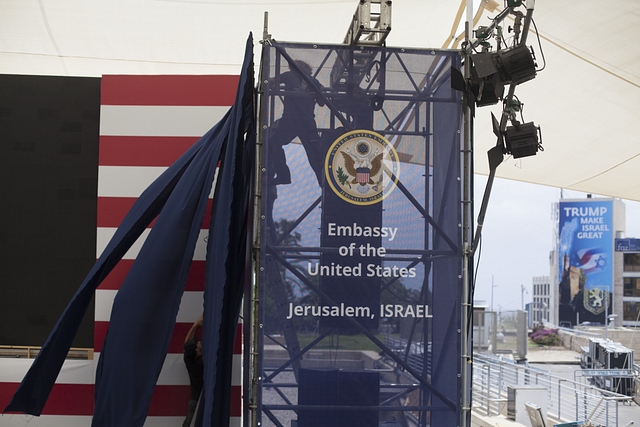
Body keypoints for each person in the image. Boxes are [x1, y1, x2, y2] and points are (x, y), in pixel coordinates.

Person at [268, 60, 325, 186]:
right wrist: (319, 90)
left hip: (290, 121)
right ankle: (325, 184)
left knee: (273, 142)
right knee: (315, 156)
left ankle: (283, 175)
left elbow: (270, 82)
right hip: (307, 123)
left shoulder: (289, 76)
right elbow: (322, 102)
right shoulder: (313, 81)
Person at [183, 316, 204, 427]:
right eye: (198, 344)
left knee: (188, 423)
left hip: (194, 400)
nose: (199, 341)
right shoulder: (203, 363)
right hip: (202, 400)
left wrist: (195, 325)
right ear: (196, 350)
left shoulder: (189, 360)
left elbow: (187, 342)